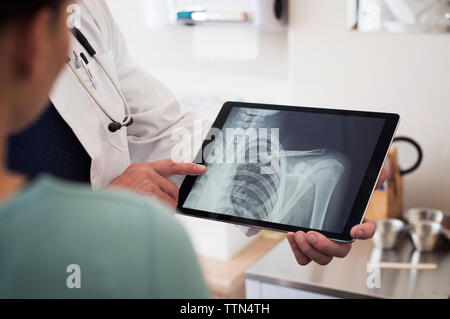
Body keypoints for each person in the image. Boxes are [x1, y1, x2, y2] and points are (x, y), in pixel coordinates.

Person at [7, 0, 385, 267]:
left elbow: (163, 130)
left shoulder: (87, 12)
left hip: (111, 266)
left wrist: (300, 191)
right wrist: (97, 212)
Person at [0, 0, 209, 298]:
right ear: (34, 40)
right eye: (64, 18)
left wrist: (280, 188)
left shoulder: (89, 12)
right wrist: (103, 216)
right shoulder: (156, 238)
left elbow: (159, 127)